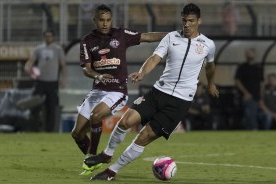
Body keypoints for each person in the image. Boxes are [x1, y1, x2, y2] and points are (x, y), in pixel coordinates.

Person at [84, 3, 219, 181]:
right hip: (158, 92)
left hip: (179, 102)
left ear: (199, 21)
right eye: (184, 21)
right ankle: (107, 154)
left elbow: (210, 66)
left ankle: (112, 171)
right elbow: (155, 58)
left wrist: (211, 84)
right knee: (126, 122)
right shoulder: (171, 37)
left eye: (191, 21)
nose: (187, 25)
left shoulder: (208, 45)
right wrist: (142, 73)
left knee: (144, 136)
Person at [71, 4, 167, 176]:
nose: (105, 23)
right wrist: (98, 76)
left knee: (96, 115)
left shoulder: (120, 35)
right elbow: (86, 69)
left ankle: (94, 157)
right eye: (101, 20)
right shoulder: (87, 40)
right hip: (97, 90)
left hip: (116, 90)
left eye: (108, 20)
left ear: (111, 20)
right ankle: (91, 158)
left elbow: (146, 36)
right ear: (95, 21)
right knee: (77, 133)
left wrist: (172, 35)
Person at [24, 29, 67, 132]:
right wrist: (28, 69)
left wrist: (63, 79)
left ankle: (50, 130)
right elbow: (30, 62)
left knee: (51, 107)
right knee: (35, 105)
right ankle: (33, 129)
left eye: (50, 36)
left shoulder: (58, 50)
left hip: (52, 82)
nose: (48, 38)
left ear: (53, 37)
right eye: (46, 36)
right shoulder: (39, 49)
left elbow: (63, 66)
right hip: (40, 81)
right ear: (44, 37)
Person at [235, 48, 264, 130]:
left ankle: (250, 130)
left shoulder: (258, 67)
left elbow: (261, 83)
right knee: (250, 114)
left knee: (252, 115)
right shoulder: (242, 67)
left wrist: (261, 97)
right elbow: (238, 81)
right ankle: (253, 130)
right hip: (247, 96)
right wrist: (246, 93)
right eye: (247, 53)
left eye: (251, 53)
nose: (249, 55)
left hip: (256, 96)